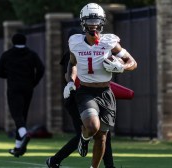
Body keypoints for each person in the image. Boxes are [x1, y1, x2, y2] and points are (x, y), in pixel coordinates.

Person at [64, 3, 137, 168]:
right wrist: (70, 82)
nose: (94, 24)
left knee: (102, 137)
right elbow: (72, 63)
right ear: (83, 22)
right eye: (90, 20)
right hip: (86, 91)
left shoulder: (110, 41)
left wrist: (122, 67)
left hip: (105, 92)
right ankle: (84, 138)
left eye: (97, 20)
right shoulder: (75, 42)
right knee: (92, 126)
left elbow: (132, 62)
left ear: (102, 21)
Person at [46, 28, 115, 168]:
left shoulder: (94, 50)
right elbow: (70, 74)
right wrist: (71, 84)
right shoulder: (73, 54)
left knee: (102, 134)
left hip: (89, 96)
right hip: (78, 97)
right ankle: (54, 160)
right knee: (84, 133)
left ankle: (109, 166)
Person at [0, 33, 45, 158]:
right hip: (28, 88)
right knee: (23, 115)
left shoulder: (7, 55)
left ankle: (24, 134)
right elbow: (41, 69)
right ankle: (18, 148)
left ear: (12, 42)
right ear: (25, 41)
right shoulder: (32, 54)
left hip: (14, 88)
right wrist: (34, 81)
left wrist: (10, 76)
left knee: (16, 114)